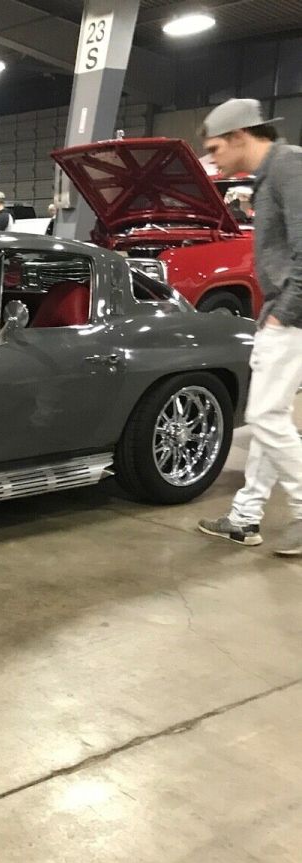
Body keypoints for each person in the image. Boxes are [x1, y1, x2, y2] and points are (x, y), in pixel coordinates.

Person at [197, 98, 302, 556]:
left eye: (216, 147)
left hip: (293, 316)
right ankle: (245, 517)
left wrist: (284, 313)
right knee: (270, 415)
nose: (212, 157)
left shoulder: (288, 167)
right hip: (282, 313)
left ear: (241, 136)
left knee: (263, 415)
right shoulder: (269, 175)